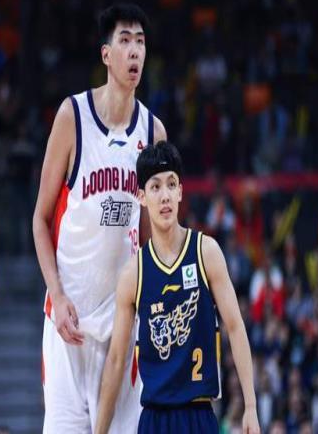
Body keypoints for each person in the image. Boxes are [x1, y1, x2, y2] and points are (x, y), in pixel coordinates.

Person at [32, 3, 167, 433]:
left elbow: (151, 239)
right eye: (125, 41)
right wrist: (57, 295)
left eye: (140, 42)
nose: (135, 51)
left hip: (122, 330)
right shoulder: (72, 117)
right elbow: (40, 220)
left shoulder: (153, 133)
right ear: (106, 54)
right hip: (68, 325)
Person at [95, 142, 260, 434]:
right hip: (154, 419)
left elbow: (235, 327)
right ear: (142, 197)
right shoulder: (134, 273)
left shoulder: (206, 252)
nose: (165, 195)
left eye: (171, 184)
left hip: (199, 414)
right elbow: (117, 359)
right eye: (155, 187)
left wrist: (251, 406)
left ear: (181, 192)